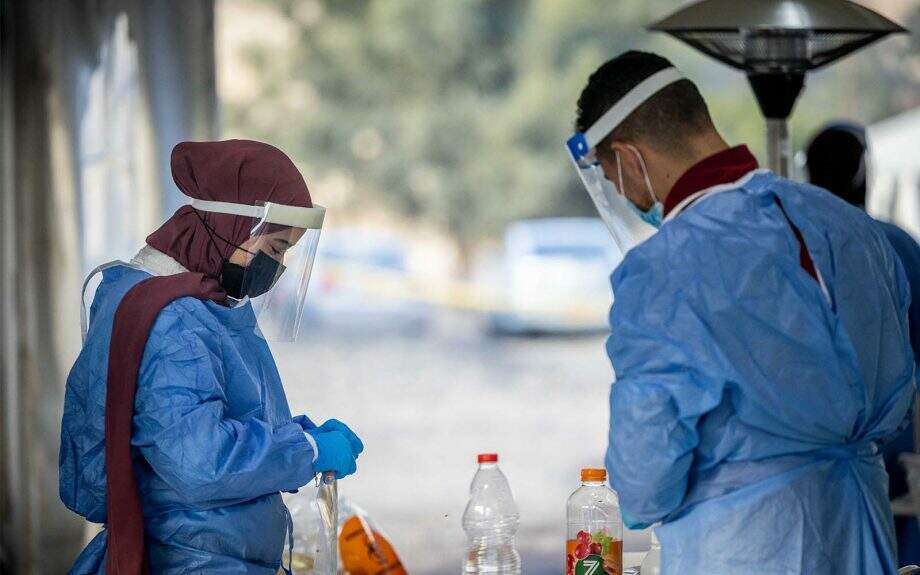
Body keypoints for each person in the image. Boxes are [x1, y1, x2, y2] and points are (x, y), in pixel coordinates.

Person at [568, 51, 916, 574]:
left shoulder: (664, 271)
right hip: (862, 533)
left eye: (615, 179)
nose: (623, 193)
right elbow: (897, 395)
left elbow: (643, 483)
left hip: (746, 549)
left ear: (629, 157)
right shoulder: (852, 229)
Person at [59, 140, 364, 574]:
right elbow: (198, 461)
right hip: (192, 561)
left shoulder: (185, 301)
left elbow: (195, 423)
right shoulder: (175, 318)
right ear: (228, 225)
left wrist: (296, 436)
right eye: (275, 248)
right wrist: (308, 451)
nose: (276, 267)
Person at [806, 122, 920, 567]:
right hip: (893, 458)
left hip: (809, 463)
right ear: (864, 172)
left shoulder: (787, 246)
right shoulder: (895, 246)